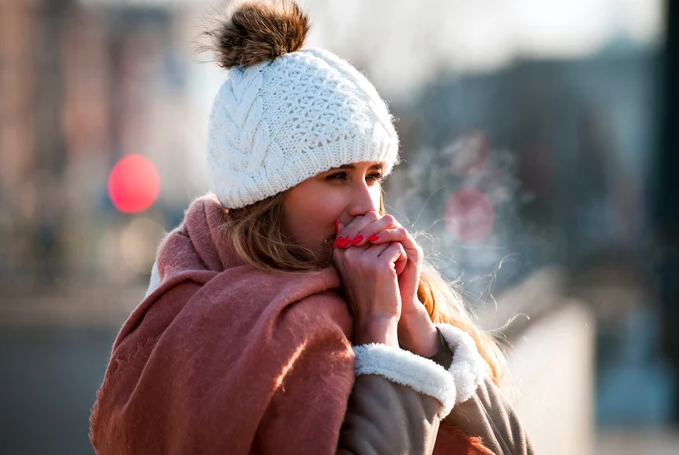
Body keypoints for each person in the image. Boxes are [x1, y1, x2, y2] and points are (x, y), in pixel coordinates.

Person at [89, 1, 534, 454]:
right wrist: (379, 333)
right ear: (268, 198)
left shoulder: (394, 293)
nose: (366, 204)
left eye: (373, 176)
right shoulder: (212, 318)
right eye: (337, 176)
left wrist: (420, 332)